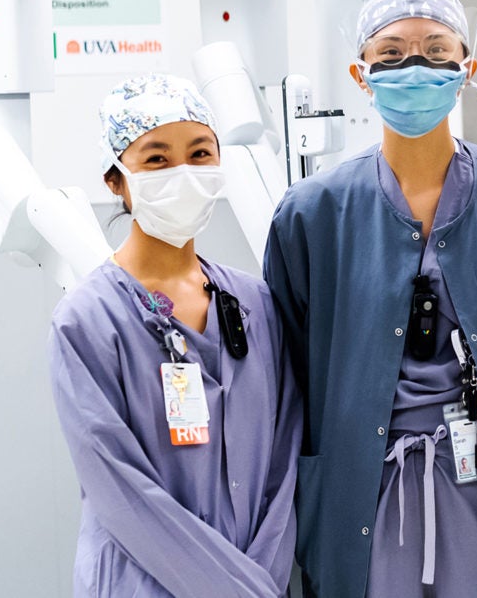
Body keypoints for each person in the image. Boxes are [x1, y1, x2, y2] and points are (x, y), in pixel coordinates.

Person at [263, 0, 477, 598]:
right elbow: (293, 370)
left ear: (468, 67)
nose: (415, 66)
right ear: (361, 74)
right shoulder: (312, 215)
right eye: (391, 53)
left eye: (437, 51)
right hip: (364, 487)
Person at [48, 74, 301, 598]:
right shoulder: (89, 320)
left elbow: (284, 461)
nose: (184, 172)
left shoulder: (254, 304)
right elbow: (118, 487)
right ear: (116, 180)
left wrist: (259, 581)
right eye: (157, 159)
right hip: (144, 584)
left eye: (200, 154)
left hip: (258, 582)